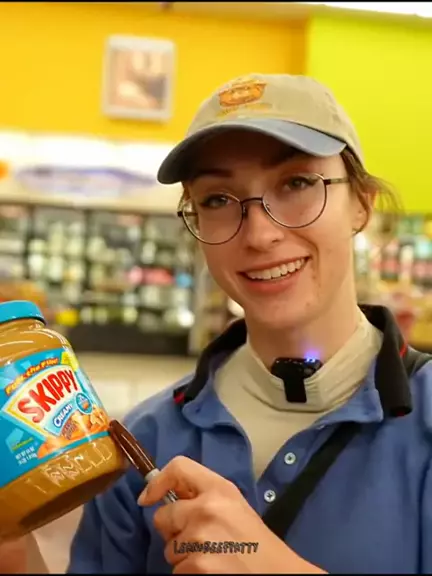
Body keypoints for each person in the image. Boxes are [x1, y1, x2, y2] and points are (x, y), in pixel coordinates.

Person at [6, 73, 432, 573]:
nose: (259, 233)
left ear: (361, 204)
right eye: (217, 200)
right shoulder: (144, 440)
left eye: (296, 183)